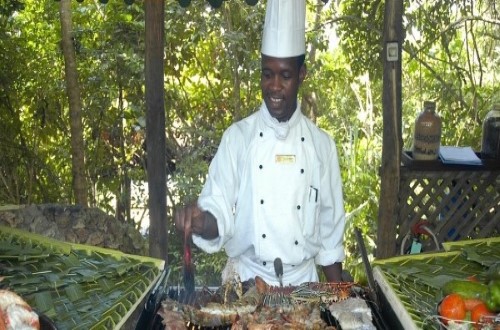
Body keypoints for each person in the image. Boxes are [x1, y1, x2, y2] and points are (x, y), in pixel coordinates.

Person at [174, 0, 346, 286]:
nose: (274, 86)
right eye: (267, 74)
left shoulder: (322, 146)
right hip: (247, 283)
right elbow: (218, 208)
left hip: (302, 286)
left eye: (285, 75)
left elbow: (330, 233)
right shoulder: (238, 138)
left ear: (301, 75)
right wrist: (201, 223)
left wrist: (339, 295)